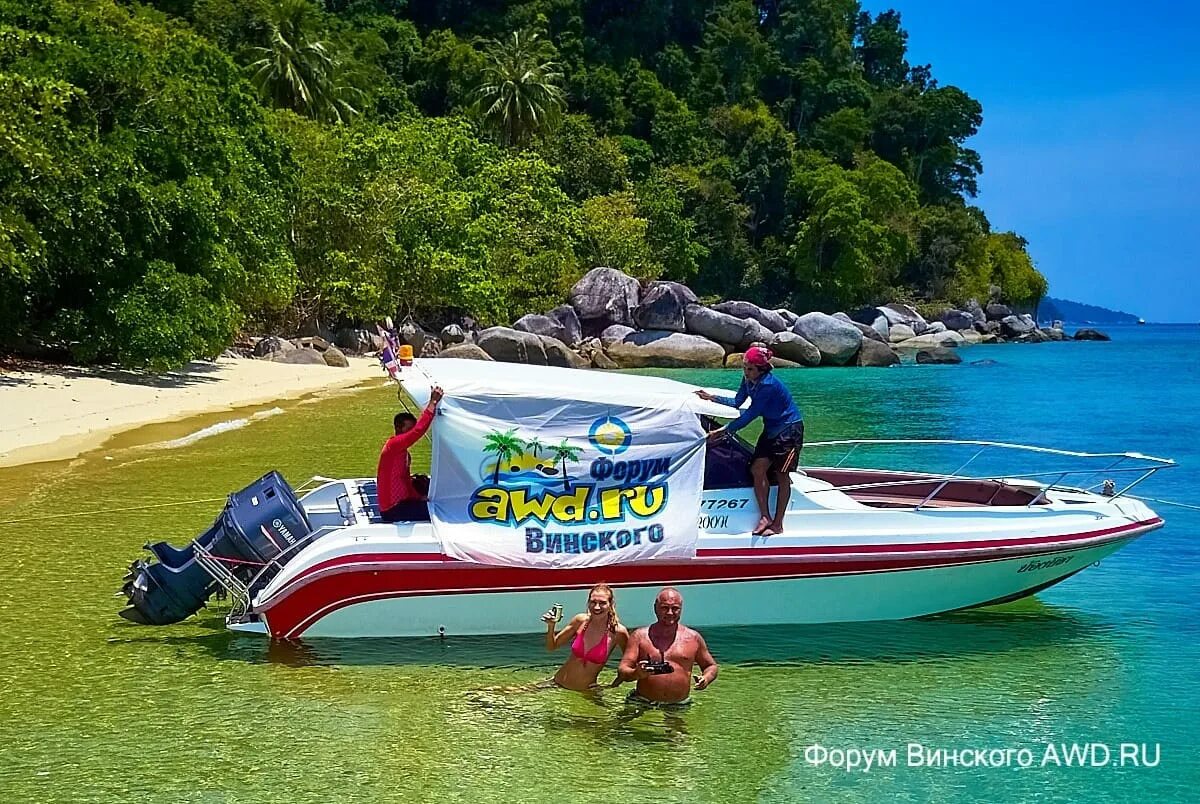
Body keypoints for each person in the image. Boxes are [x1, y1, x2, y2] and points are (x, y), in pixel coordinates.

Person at [695, 345, 804, 536]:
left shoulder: (768, 386)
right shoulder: (748, 380)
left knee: (782, 475)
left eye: (750, 369)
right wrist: (712, 398)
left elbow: (751, 414)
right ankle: (765, 517)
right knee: (757, 469)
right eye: (744, 367)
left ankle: (778, 524)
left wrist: (723, 430)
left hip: (789, 430)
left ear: (761, 370)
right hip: (771, 429)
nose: (746, 372)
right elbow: (738, 401)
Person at [617, 587, 718, 707]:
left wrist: (706, 679)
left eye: (675, 608)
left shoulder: (693, 638)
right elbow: (623, 670)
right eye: (665, 608)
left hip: (679, 704)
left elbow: (711, 666)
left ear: (681, 609)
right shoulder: (640, 636)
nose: (670, 613)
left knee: (682, 726)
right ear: (655, 608)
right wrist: (636, 673)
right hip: (642, 702)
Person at [541, 583, 630, 691]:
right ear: (588, 602)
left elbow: (630, 663)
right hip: (557, 684)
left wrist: (612, 685)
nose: (597, 607)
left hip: (585, 693)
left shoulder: (618, 632)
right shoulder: (580, 621)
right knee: (516, 693)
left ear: (611, 604)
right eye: (593, 602)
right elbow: (551, 647)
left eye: (602, 603)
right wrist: (551, 626)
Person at [376, 386, 443, 522]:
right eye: (409, 428)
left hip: (403, 503)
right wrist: (433, 403)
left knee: (429, 492)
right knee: (441, 510)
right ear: (399, 428)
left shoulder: (403, 453)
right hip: (392, 510)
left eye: (412, 427)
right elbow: (418, 431)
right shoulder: (393, 446)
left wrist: (419, 498)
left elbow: (405, 480)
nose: (412, 431)